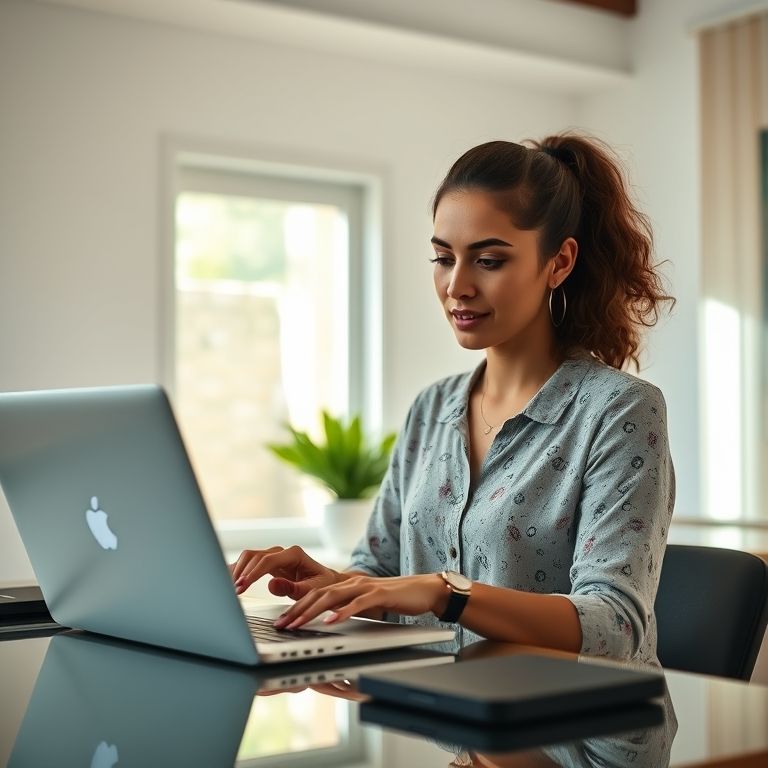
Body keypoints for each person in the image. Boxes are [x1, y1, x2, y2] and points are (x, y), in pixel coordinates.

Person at [231, 132, 676, 664]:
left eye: (488, 260)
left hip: (571, 714)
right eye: (443, 258)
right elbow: (381, 570)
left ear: (559, 263)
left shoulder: (619, 411)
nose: (456, 286)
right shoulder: (432, 408)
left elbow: (613, 626)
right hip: (434, 705)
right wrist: (334, 585)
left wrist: (447, 593)